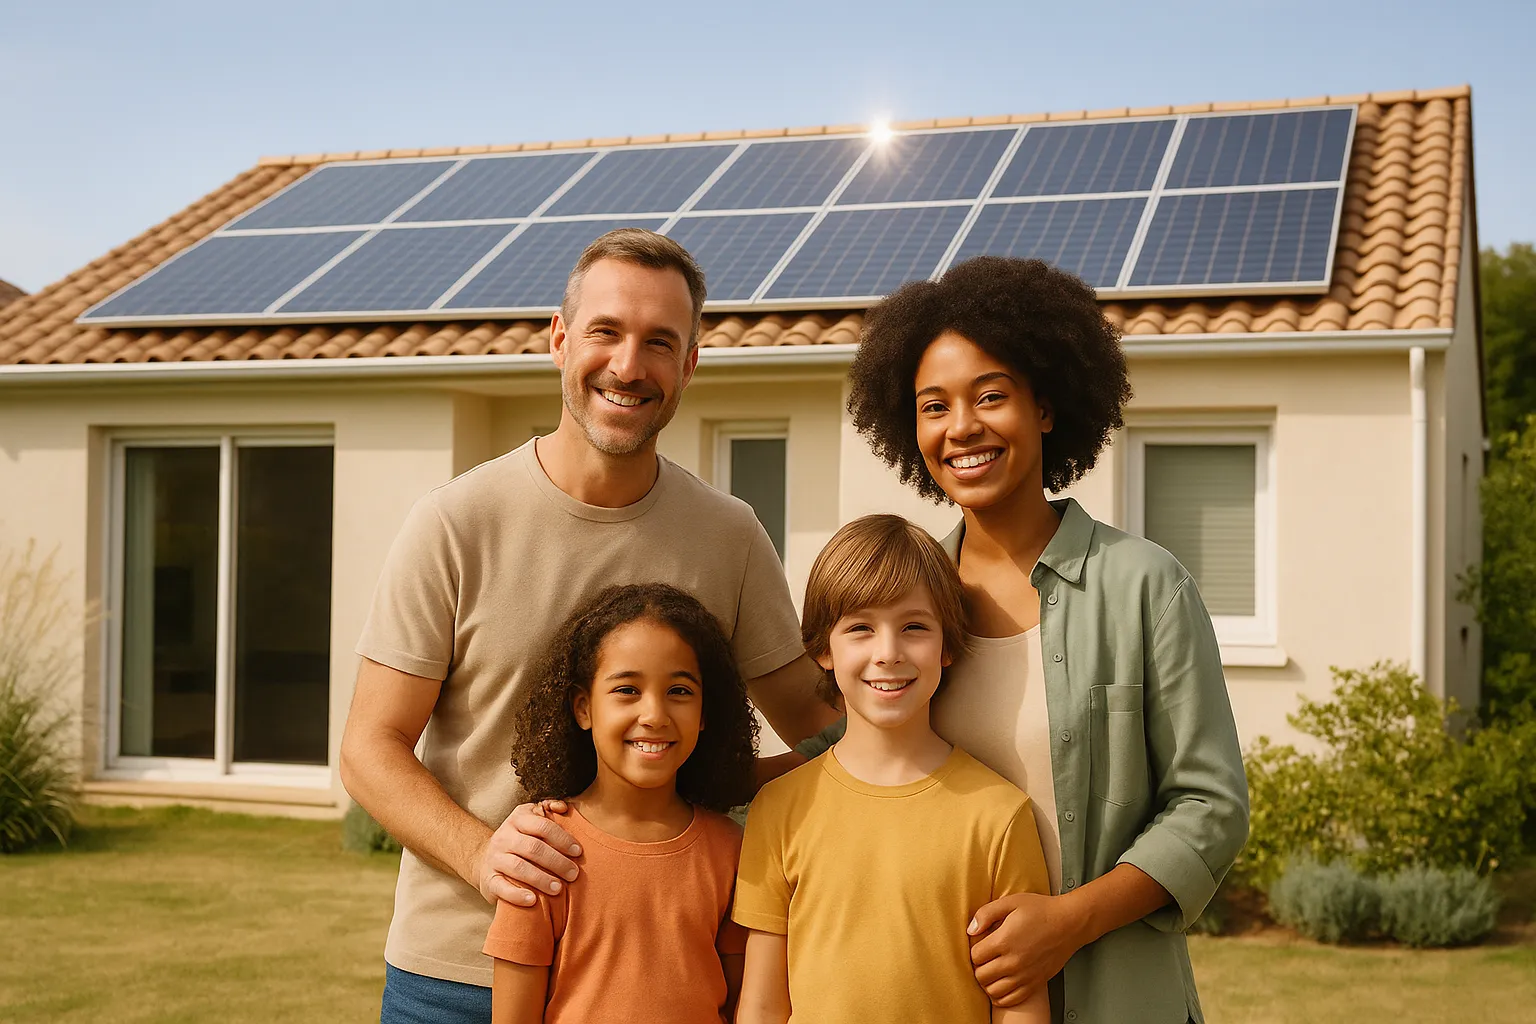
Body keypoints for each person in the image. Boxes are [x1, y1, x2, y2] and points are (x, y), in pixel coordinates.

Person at [339, 228, 837, 1022]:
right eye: (605, 332)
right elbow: (369, 749)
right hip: (456, 976)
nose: (628, 366)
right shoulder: (454, 523)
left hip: (654, 981)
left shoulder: (730, 536)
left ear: (689, 365)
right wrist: (482, 854)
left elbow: (823, 729)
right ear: (560, 338)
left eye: (659, 343)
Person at [803, 256, 1250, 1024]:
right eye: (933, 406)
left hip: (1121, 998)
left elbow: (1210, 806)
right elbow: (848, 770)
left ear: (1045, 406)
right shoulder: (905, 608)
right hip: (953, 998)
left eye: (991, 395)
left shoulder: (1144, 585)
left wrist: (1068, 921)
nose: (962, 427)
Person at [734, 514, 1052, 1024]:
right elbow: (763, 1005)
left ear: (946, 645)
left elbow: (1018, 1004)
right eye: (860, 628)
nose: (888, 653)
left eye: (914, 628)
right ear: (821, 648)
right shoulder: (779, 808)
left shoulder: (1000, 815)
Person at [485, 583, 756, 1024]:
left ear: (706, 713)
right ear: (583, 707)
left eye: (680, 691)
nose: (654, 714)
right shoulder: (541, 848)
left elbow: (741, 1002)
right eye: (627, 690)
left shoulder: (731, 850)